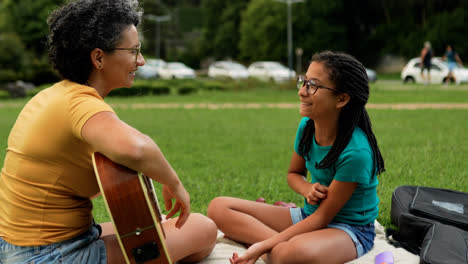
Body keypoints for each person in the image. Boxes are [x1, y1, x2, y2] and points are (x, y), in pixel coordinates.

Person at [0, 0, 217, 263]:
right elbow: (136, 149)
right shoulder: (79, 104)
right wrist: (173, 183)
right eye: (134, 51)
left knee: (159, 225)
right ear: (99, 57)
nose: (142, 60)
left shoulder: (53, 95)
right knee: (202, 228)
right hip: (46, 255)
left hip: (23, 246)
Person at [208, 51, 385, 264]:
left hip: (348, 229)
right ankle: (270, 244)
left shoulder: (356, 153)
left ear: (342, 99)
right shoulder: (307, 128)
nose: (302, 91)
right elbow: (294, 174)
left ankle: (254, 241)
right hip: (308, 217)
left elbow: (323, 218)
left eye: (313, 85)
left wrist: (263, 244)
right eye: (303, 81)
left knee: (292, 255)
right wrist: (306, 189)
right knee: (218, 207)